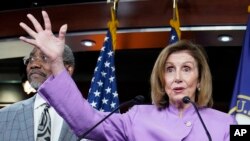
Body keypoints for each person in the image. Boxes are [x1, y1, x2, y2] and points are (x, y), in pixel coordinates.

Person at [19, 11, 237, 141]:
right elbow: (86, 121)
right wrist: (56, 63)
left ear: (200, 80)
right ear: (162, 79)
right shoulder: (137, 117)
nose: (177, 77)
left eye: (187, 69)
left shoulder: (228, 123)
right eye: (170, 69)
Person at [0, 34, 80, 140]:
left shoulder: (91, 117)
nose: (34, 64)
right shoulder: (4, 117)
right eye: (31, 59)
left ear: (68, 69)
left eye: (45, 58)